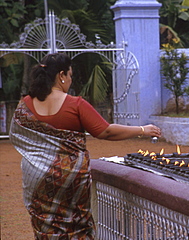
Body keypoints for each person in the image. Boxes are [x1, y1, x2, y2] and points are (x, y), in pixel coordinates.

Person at [9, 53, 161, 239]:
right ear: (61, 75)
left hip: (37, 178)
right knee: (75, 225)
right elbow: (105, 131)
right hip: (70, 180)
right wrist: (142, 129)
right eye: (70, 75)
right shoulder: (75, 104)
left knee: (45, 226)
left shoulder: (24, 105)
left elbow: (17, 134)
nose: (70, 80)